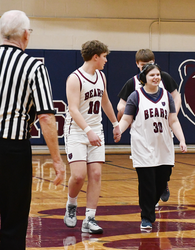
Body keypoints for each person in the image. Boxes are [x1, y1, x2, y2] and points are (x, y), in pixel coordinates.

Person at [0, 10, 65, 250]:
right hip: (12, 150)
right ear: (26, 35)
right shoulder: (32, 66)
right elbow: (46, 117)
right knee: (13, 220)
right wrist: (57, 161)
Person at [115, 63, 187, 230]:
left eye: (157, 74)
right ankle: (146, 216)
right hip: (143, 146)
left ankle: (149, 205)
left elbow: (173, 120)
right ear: (144, 79)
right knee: (147, 183)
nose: (156, 77)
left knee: (162, 181)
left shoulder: (167, 96)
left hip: (164, 145)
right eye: (152, 75)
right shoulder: (136, 96)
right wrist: (119, 129)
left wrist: (181, 140)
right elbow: (127, 119)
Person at [63, 40, 121, 234]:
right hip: (78, 131)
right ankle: (71, 204)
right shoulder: (75, 78)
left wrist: (115, 124)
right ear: (95, 57)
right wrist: (88, 130)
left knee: (96, 174)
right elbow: (72, 109)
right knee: (79, 176)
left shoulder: (101, 77)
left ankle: (89, 218)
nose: (106, 60)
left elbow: (105, 101)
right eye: (104, 56)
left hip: (96, 130)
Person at [117, 49, 181, 203]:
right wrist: (128, 113)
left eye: (151, 65)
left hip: (162, 126)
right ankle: (148, 208)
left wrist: (173, 114)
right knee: (147, 169)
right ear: (137, 65)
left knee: (165, 165)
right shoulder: (132, 83)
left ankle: (164, 183)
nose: (148, 68)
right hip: (144, 129)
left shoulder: (163, 77)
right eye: (144, 66)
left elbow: (176, 95)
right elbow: (120, 105)